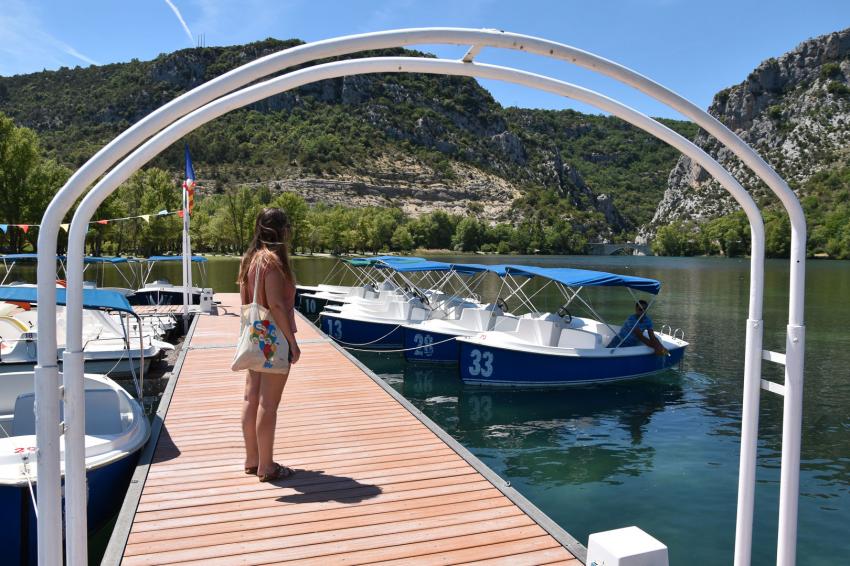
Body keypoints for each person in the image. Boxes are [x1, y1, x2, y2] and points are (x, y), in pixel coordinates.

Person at [238, 208, 301, 482]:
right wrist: (292, 342)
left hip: (256, 334)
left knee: (250, 399)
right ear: (281, 231)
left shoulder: (250, 260)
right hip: (273, 339)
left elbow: (245, 302)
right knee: (268, 404)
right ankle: (267, 466)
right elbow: (275, 304)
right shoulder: (272, 263)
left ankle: (252, 460)